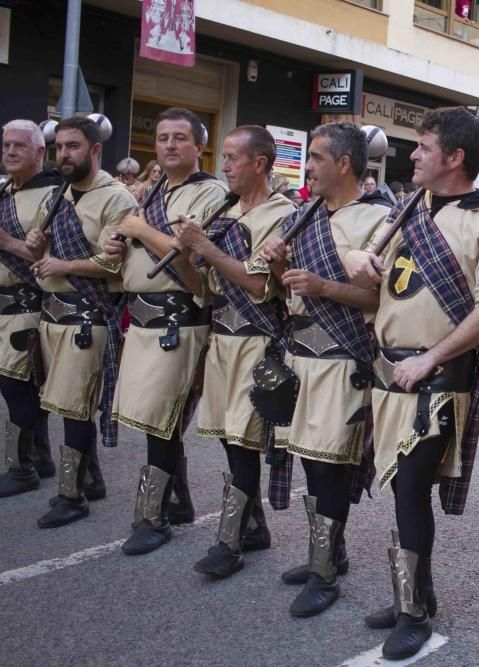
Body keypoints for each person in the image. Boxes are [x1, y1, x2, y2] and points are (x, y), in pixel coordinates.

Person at [344, 107, 479, 660]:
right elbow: (389, 289)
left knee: (412, 490)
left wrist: (429, 359)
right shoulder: (411, 208)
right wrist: (362, 267)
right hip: (391, 373)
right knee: (398, 489)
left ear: (455, 157)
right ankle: (414, 594)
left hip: (436, 378)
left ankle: (413, 613)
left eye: (422, 146)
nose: (412, 154)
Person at [257, 122, 391, 617]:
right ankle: (327, 552)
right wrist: (277, 264)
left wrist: (323, 286)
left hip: (343, 358)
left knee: (330, 463)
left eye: (315, 157)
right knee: (310, 459)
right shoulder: (307, 213)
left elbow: (382, 298)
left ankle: (324, 572)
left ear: (343, 164)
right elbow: (290, 290)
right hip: (301, 354)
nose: (306, 166)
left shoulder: (380, 219)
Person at [170, 125, 297, 578]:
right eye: (222, 158)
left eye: (231, 158)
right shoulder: (225, 211)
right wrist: (187, 257)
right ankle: (254, 525)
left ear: (259, 163)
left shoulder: (283, 214)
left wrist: (205, 247)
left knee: (244, 440)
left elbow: (261, 284)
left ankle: (230, 542)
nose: (223, 166)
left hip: (258, 340)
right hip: (222, 337)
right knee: (227, 436)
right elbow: (203, 290)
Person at [102, 107, 228, 555]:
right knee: (157, 421)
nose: (169, 145)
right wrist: (121, 244)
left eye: (179, 138)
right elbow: (140, 246)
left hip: (180, 317)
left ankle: (151, 518)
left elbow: (194, 263)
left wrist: (140, 228)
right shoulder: (156, 188)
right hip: (140, 316)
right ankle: (178, 500)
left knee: (161, 419)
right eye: (162, 138)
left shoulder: (209, 193)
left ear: (198, 146)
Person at [25, 116, 135, 528]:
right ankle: (91, 479)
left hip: (87, 316)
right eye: (59, 147)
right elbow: (43, 251)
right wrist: (37, 245)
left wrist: (63, 262)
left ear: (94, 150)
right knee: (68, 406)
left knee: (74, 408)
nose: (63, 154)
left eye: (72, 146)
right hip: (54, 313)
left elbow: (115, 265)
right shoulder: (60, 194)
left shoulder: (115, 198)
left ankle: (71, 495)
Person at [0, 120, 60, 497]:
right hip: (4, 306)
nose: (9, 152)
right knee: (16, 387)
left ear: (40, 152)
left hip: (27, 304)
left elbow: (45, 255)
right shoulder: (6, 191)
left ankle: (21, 469)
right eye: (6, 145)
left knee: (17, 386)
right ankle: (40, 456)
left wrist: (5, 240)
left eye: (19, 146)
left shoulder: (51, 195)